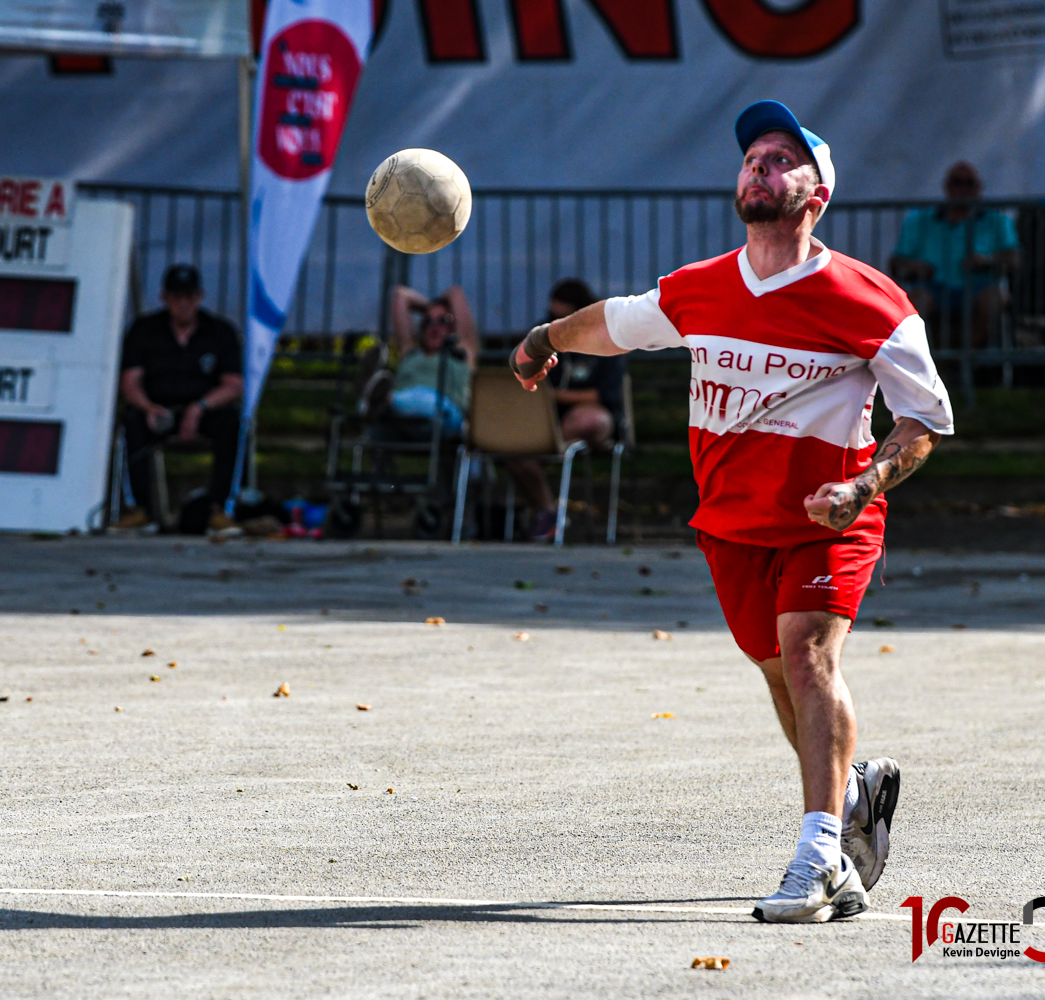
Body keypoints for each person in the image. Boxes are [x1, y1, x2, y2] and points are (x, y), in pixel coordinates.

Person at [509, 101, 953, 923]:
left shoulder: (871, 301)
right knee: (782, 674)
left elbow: (924, 421)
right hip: (731, 523)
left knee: (807, 654)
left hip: (832, 517)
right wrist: (545, 338)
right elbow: (617, 324)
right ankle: (854, 791)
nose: (760, 165)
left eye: (782, 157)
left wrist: (862, 489)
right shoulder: (703, 288)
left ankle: (819, 857)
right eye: (753, 155)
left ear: (817, 194)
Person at [117, 264, 244, 527]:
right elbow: (130, 381)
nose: (182, 304)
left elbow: (233, 384)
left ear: (199, 297)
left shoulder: (220, 331)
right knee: (131, 425)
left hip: (204, 410)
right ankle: (139, 508)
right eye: (176, 298)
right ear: (165, 299)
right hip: (159, 409)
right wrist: (148, 407)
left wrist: (200, 407)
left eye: (189, 298)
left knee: (233, 424)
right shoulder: (144, 330)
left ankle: (221, 508)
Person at [505, 278, 625, 540]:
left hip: (588, 420)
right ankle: (548, 511)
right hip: (547, 418)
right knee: (512, 448)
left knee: (588, 419)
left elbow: (601, 395)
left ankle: (549, 446)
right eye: (552, 317)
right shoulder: (543, 336)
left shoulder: (606, 340)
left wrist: (555, 396)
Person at [889, 161, 1018, 348]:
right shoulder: (920, 221)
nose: (962, 189)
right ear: (947, 186)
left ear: (978, 188)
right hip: (934, 287)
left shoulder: (997, 221)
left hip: (979, 286)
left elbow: (1014, 257)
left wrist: (988, 261)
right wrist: (913, 266)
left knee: (994, 299)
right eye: (957, 182)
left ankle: (965, 357)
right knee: (913, 303)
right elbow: (896, 261)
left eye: (969, 183)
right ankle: (924, 360)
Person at [385, 285, 478, 437]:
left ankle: (383, 402)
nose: (434, 327)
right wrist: (433, 309)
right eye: (427, 321)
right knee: (381, 417)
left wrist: (432, 307)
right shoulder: (410, 352)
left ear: (453, 326)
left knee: (421, 402)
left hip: (443, 411)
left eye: (443, 320)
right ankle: (384, 403)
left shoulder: (463, 351)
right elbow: (400, 296)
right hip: (401, 416)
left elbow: (455, 293)